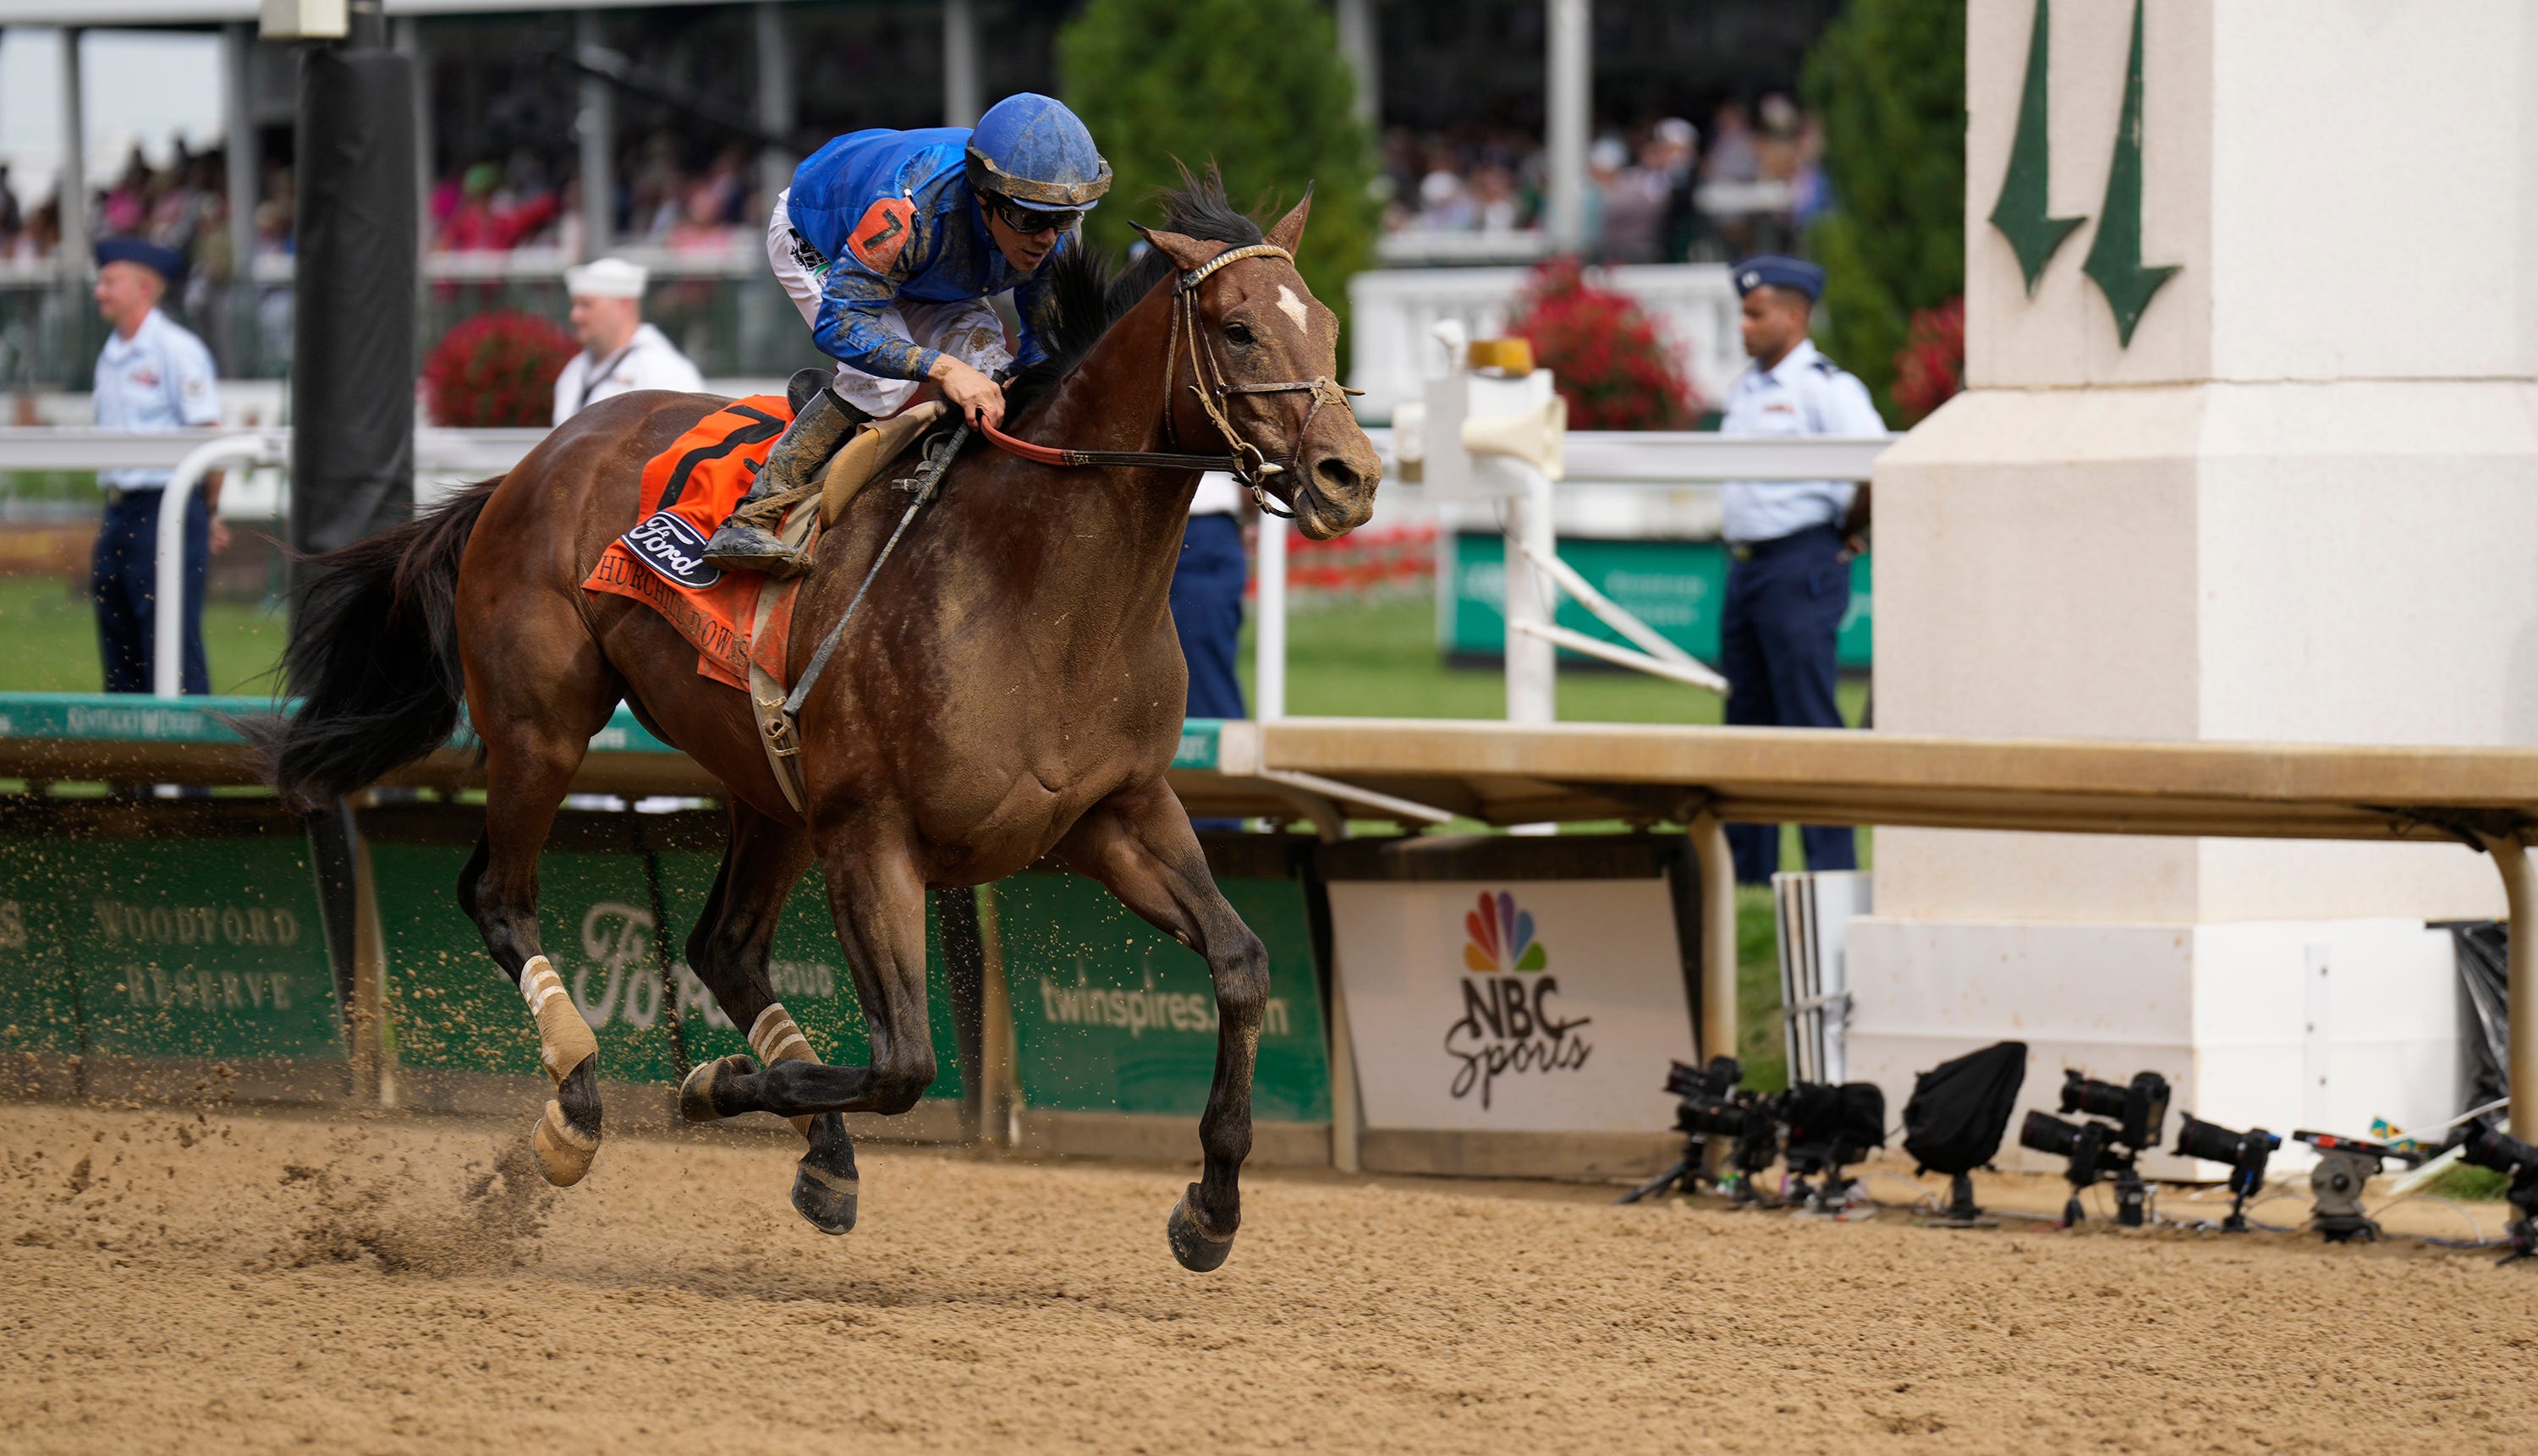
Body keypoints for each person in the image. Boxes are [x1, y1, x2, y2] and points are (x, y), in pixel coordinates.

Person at [702, 92, 1112, 576]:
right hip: (820, 238)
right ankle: (756, 510)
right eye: (1030, 219)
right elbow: (841, 323)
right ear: (985, 196)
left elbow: (1044, 347)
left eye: (1063, 219)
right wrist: (942, 367)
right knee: (884, 382)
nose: (1047, 237)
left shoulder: (1054, 233)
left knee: (992, 373)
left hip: (923, 266)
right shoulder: (904, 212)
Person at [1716, 255, 1882, 885]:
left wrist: (1843, 530)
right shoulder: (1746, 388)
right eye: (1743, 313)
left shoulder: (1827, 387)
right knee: (1746, 722)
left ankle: (1831, 870)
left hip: (1800, 560)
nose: (1744, 326)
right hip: (1747, 565)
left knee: (1808, 718)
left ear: (1794, 315)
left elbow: (1873, 462)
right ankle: (1748, 874)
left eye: (1756, 314)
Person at [88, 238, 224, 696]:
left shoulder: (175, 349)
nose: (99, 292)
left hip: (168, 505)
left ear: (144, 287)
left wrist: (208, 510)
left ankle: (186, 765)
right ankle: (131, 764)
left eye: (110, 281)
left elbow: (210, 437)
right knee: (118, 631)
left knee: (169, 639)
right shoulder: (111, 355)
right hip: (121, 509)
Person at [551, 256, 706, 425]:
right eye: (574, 305)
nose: (575, 316)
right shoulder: (574, 370)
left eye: (587, 305)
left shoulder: (667, 372)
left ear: (624, 305)